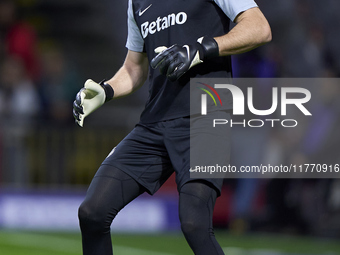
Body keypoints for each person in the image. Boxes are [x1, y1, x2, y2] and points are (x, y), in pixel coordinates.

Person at [73, 0, 271, 254]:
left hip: (206, 118)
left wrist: (202, 48)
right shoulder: (136, 3)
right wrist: (106, 90)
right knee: (93, 212)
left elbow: (259, 27)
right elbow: (134, 67)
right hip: (154, 123)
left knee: (194, 223)